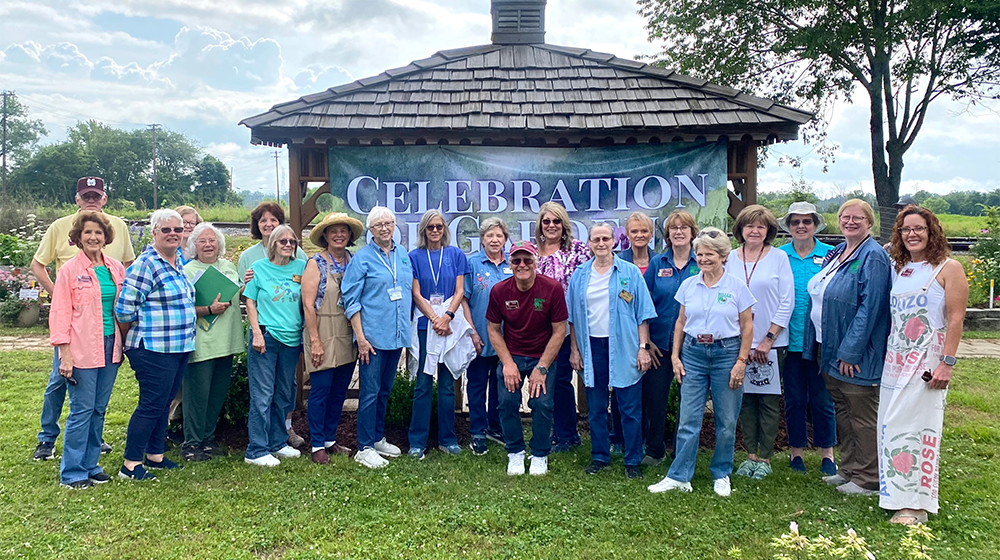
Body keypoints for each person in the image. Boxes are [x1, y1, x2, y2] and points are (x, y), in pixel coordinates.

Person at [32, 176, 135, 461]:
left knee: (96, 400)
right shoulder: (60, 227)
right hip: (73, 327)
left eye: (96, 196)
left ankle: (92, 447)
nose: (91, 200)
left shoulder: (119, 229)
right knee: (59, 382)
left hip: (105, 331)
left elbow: (128, 268)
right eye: (86, 196)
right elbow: (38, 265)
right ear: (77, 199)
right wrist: (59, 296)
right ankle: (48, 438)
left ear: (104, 199)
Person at [648, 227, 754, 497]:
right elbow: (681, 323)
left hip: (727, 353)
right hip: (693, 354)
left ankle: (721, 473)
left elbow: (747, 326)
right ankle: (679, 476)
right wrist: (675, 356)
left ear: (723, 257)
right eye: (700, 254)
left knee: (727, 420)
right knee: (688, 418)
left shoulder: (737, 287)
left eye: (709, 254)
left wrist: (741, 361)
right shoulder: (689, 285)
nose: (703, 259)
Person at [879, 206, 967, 524]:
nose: (912, 234)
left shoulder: (948, 268)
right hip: (895, 360)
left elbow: (956, 318)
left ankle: (915, 506)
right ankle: (895, 495)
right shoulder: (902, 269)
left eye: (918, 228)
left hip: (927, 362)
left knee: (918, 428)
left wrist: (947, 363)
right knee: (891, 427)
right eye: (905, 229)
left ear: (932, 232)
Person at [804, 199, 891, 496]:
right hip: (828, 347)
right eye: (845, 216)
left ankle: (869, 479)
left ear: (869, 222)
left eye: (857, 217)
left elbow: (872, 308)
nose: (850, 222)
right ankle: (850, 469)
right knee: (843, 409)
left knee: (861, 413)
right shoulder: (840, 250)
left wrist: (851, 351)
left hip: (855, 354)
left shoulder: (874, 256)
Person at [568, 223, 656, 478]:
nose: (601, 243)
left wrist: (643, 348)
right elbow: (572, 317)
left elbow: (643, 314)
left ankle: (632, 459)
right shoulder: (580, 275)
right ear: (590, 243)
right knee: (595, 407)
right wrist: (574, 350)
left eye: (606, 238)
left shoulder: (629, 272)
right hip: (591, 346)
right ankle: (599, 456)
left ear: (614, 242)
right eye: (596, 239)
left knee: (629, 406)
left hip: (625, 345)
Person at [114, 209, 196, 481]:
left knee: (164, 403)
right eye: (166, 230)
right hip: (152, 348)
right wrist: (127, 341)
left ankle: (155, 455)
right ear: (154, 234)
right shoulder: (146, 264)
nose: (173, 234)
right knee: (151, 404)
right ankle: (131, 464)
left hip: (177, 346)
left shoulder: (176, 260)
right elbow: (125, 308)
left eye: (177, 229)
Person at [49, 211, 126, 488]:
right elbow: (59, 314)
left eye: (98, 233)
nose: (93, 237)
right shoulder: (69, 270)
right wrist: (64, 354)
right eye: (88, 233)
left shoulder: (116, 268)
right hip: (81, 349)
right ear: (78, 238)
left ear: (106, 237)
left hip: (110, 347)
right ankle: (72, 472)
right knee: (82, 410)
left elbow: (124, 308)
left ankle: (91, 464)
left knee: (99, 409)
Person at [486, 240, 568, 476]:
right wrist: (508, 363)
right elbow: (493, 329)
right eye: (516, 260)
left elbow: (559, 330)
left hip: (542, 355)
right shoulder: (500, 290)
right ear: (510, 264)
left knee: (542, 404)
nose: (522, 264)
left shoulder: (551, 288)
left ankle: (540, 454)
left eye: (527, 260)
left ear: (535, 262)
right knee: (507, 402)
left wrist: (542, 367)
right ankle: (515, 453)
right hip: (512, 355)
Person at [341, 207, 412, 469]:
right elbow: (350, 299)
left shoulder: (402, 255)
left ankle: (377, 437)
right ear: (370, 230)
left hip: (395, 336)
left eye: (388, 223)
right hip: (371, 337)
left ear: (394, 225)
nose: (384, 228)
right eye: (378, 224)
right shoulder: (362, 259)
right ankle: (364, 447)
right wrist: (360, 337)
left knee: (384, 391)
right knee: (369, 392)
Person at [727, 205, 794, 480]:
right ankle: (749, 455)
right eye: (749, 225)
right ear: (740, 229)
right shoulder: (730, 258)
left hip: (770, 342)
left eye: (761, 226)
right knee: (744, 400)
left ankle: (765, 458)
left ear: (768, 231)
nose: (754, 231)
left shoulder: (778, 258)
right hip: (738, 342)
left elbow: (787, 301)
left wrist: (768, 339)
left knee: (767, 401)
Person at [238, 202, 308, 448]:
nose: (288, 245)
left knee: (283, 394)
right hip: (266, 338)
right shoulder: (257, 267)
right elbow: (250, 302)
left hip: (291, 340)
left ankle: (279, 442)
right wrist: (256, 333)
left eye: (292, 242)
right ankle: (257, 448)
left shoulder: (301, 266)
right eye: (282, 242)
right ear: (272, 244)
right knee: (262, 395)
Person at [777, 202, 838, 475]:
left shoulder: (831, 255)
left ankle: (828, 454)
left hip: (821, 340)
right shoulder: (779, 256)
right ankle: (796, 452)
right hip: (789, 339)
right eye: (795, 222)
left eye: (807, 221)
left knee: (822, 398)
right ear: (788, 227)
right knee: (794, 398)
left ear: (815, 225)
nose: (801, 226)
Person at [407, 209, 471, 459]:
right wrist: (435, 318)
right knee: (423, 384)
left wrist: (448, 317)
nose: (435, 231)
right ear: (423, 230)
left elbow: (460, 290)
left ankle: (448, 439)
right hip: (425, 325)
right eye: (430, 227)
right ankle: (417, 442)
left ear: (445, 229)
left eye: (439, 226)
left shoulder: (456, 254)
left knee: (447, 384)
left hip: (450, 324)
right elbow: (415, 292)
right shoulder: (414, 257)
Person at [301, 213, 364, 464]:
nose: (339, 235)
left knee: (339, 391)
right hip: (322, 331)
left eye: (344, 231)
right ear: (325, 236)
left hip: (347, 331)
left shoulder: (354, 261)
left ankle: (329, 439)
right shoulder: (315, 263)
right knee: (321, 389)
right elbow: (307, 305)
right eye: (333, 231)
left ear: (349, 236)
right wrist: (315, 340)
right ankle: (317, 444)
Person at [180, 223, 243, 462]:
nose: (208, 245)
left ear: (220, 244)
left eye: (212, 240)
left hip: (226, 341)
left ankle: (208, 438)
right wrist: (208, 309)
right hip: (201, 342)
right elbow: (182, 308)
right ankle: (192, 443)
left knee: (217, 393)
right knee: (198, 394)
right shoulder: (187, 271)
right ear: (194, 245)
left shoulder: (228, 267)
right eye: (202, 241)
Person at [641, 210, 699, 466]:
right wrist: (646, 341)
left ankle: (682, 452)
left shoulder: (702, 262)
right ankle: (655, 450)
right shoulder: (657, 263)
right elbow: (643, 301)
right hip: (659, 343)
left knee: (689, 401)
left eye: (683, 227)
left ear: (692, 232)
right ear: (667, 235)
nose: (678, 231)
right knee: (655, 399)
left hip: (694, 344)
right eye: (673, 228)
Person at [534, 201, 592, 453]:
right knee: (544, 379)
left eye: (556, 221)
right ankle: (550, 432)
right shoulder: (532, 254)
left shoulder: (578, 251)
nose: (551, 226)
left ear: (564, 224)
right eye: (546, 221)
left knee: (563, 380)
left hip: (570, 327)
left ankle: (568, 434)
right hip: (538, 328)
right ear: (540, 225)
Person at [610, 210, 659, 455]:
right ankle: (618, 438)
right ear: (626, 235)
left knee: (650, 392)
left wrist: (650, 342)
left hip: (656, 337)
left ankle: (647, 439)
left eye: (644, 231)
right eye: (634, 231)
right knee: (622, 388)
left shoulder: (660, 261)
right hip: (625, 338)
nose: (639, 235)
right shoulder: (617, 262)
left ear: (651, 233)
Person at [463, 218, 511, 455]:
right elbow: (463, 299)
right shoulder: (472, 264)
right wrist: (471, 331)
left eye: (499, 236)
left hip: (506, 338)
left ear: (505, 239)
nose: (495, 240)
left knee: (501, 384)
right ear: (482, 239)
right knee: (478, 384)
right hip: (480, 335)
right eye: (490, 236)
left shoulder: (513, 263)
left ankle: (496, 426)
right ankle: (478, 431)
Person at [165, 205, 203, 443]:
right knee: (173, 381)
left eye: (191, 223)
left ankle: (181, 421)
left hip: (199, 324)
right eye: (183, 223)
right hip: (173, 327)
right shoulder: (171, 254)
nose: (187, 227)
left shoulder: (198, 250)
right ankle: (169, 423)